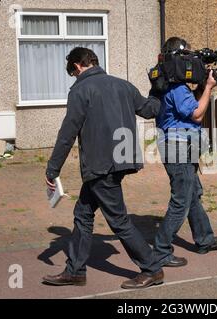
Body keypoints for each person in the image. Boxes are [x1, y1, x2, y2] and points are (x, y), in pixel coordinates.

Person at [42, 47, 164, 289]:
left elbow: (67, 133)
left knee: (118, 220)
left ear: (77, 66)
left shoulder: (80, 89)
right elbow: (150, 109)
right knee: (83, 214)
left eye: (72, 72)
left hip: (100, 165)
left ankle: (152, 268)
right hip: (121, 160)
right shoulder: (123, 85)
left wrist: (52, 170)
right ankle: (75, 271)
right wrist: (159, 86)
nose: (73, 77)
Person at [153, 37, 217, 268]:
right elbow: (197, 114)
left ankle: (204, 239)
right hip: (179, 146)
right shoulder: (177, 87)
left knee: (192, 192)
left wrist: (204, 86)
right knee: (181, 201)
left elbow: (187, 108)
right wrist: (209, 88)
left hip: (179, 143)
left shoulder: (167, 83)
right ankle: (161, 250)